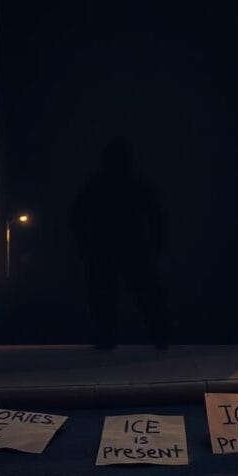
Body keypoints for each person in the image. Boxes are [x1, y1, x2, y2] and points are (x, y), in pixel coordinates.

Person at [71, 136, 170, 349]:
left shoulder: (98, 185)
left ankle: (109, 340)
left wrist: (84, 244)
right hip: (129, 245)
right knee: (141, 294)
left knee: (109, 296)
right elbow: (155, 215)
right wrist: (156, 243)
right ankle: (158, 337)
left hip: (110, 246)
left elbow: (78, 216)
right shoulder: (133, 183)